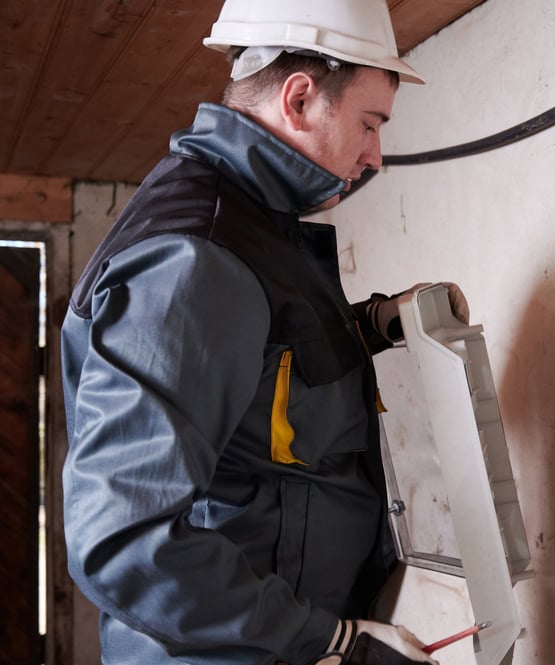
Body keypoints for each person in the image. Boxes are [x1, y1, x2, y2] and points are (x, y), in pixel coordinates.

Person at [60, 1, 467, 663]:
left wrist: (375, 323)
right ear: (300, 98)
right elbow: (123, 543)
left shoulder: (253, 226)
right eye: (369, 124)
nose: (376, 155)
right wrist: (334, 640)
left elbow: (269, 380)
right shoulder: (195, 258)